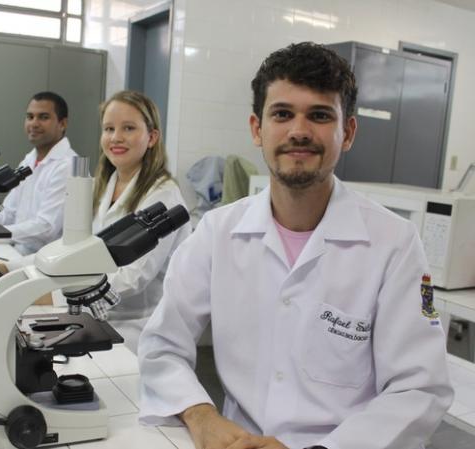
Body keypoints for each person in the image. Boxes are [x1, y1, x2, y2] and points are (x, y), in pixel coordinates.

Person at [137, 42, 453, 449]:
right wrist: (201, 415)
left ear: (349, 132)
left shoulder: (395, 243)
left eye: (320, 115)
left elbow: (420, 387)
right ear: (257, 128)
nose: (299, 131)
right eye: (282, 114)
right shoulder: (217, 233)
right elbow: (162, 344)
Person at [0, 90, 192, 354]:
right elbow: (74, 248)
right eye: (109, 129)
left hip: (140, 327)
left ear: (152, 137)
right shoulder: (103, 185)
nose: (116, 137)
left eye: (128, 128)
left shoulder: (164, 195)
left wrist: (53, 296)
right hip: (98, 315)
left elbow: (132, 278)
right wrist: (11, 268)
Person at [0, 91, 77, 255]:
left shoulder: (67, 166)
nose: (34, 123)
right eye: (30, 117)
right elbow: (9, 214)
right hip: (18, 252)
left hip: (45, 264)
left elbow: (45, 228)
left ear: (63, 123)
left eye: (43, 117)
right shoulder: (29, 161)